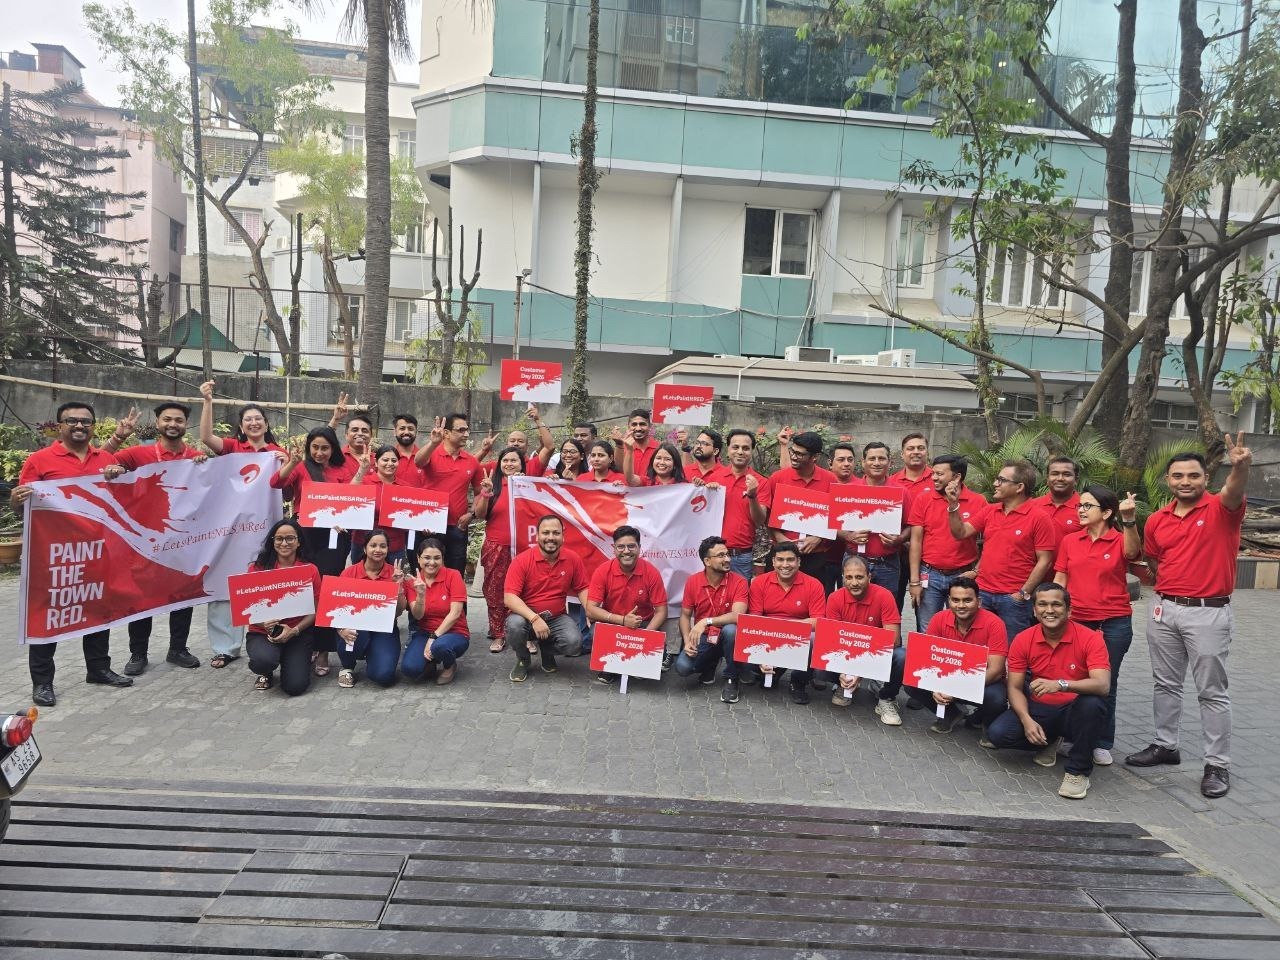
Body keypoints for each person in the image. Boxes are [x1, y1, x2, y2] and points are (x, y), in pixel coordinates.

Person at [1125, 439, 1251, 800]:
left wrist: (1240, 466)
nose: (1185, 481)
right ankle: (1166, 745)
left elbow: (1234, 489)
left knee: (1212, 692)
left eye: (1193, 475)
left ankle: (1216, 765)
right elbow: (1155, 561)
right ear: (1168, 480)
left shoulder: (1221, 508)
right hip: (1164, 609)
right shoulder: (1158, 520)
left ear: (1206, 478)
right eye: (1178, 475)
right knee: (1165, 683)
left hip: (1208, 613)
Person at [12, 402, 131, 706]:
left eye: (86, 421)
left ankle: (98, 669)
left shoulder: (106, 459)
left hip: (97, 551)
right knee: (47, 615)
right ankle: (42, 682)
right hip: (54, 556)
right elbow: (24, 507)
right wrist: (16, 499)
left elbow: (123, 502)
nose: (80, 426)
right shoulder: (39, 460)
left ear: (93, 426)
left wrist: (120, 476)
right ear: (59, 426)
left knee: (99, 610)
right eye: (72, 421)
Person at [104, 401, 206, 676]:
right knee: (141, 598)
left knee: (183, 595)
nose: (173, 424)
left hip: (183, 540)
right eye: (167, 419)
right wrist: (113, 465)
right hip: (144, 541)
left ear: (186, 425)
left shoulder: (196, 457)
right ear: (158, 422)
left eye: (179, 420)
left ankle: (178, 649)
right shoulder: (137, 454)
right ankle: (138, 653)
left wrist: (204, 467)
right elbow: (98, 462)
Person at [986, 583, 1111, 799]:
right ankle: (1051, 739)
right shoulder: (1023, 639)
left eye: (1056, 604)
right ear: (1034, 611)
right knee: (998, 734)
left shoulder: (1090, 638)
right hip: (1040, 708)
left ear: (1069, 610)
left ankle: (1078, 772)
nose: (1049, 610)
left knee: (1093, 703)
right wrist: (1026, 720)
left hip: (1074, 710)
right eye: (1042, 604)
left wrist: (1061, 684)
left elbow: (1103, 685)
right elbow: (1014, 687)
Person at [199, 380, 286, 672]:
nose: (253, 423)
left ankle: (266, 636)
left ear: (266, 424)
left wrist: (287, 462)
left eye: (258, 419)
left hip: (265, 528)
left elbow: (287, 487)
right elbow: (206, 437)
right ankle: (225, 647)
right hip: (229, 531)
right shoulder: (232, 449)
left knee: (264, 582)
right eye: (248, 419)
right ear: (241, 425)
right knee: (223, 583)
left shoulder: (277, 453)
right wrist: (208, 401)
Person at [1053, 485, 1141, 766]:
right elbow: (1060, 579)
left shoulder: (1119, 540)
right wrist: (1051, 611)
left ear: (1106, 512)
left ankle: (1102, 741)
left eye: (1087, 506)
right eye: (1079, 505)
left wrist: (1129, 519)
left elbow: (1133, 553)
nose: (1080, 510)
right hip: (1077, 622)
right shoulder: (1070, 541)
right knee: (1073, 678)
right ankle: (1072, 736)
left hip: (1113, 623)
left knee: (1106, 683)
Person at [272, 426, 358, 678]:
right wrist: (292, 462)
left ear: (333, 448)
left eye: (325, 448)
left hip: (334, 537)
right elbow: (276, 483)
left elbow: (351, 496)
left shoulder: (342, 469)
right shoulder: (301, 467)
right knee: (306, 589)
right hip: (306, 535)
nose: (320, 452)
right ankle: (304, 643)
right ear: (309, 447)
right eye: (315, 447)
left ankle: (323, 650)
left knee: (328, 591)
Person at [945, 459, 1055, 641]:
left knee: (1013, 650)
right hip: (983, 593)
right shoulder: (990, 511)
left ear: (1019, 487)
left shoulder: (1039, 517)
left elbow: (1045, 560)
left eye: (1001, 480)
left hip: (1013, 599)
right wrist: (953, 505)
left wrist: (1023, 593)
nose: (995, 483)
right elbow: (961, 532)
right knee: (977, 645)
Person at [503, 515, 589, 682]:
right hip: (526, 617)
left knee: (574, 644)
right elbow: (509, 598)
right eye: (546, 533)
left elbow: (582, 588)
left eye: (556, 533)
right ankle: (523, 659)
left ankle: (547, 651)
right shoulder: (522, 561)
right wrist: (535, 619)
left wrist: (590, 610)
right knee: (514, 626)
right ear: (537, 536)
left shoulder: (572, 559)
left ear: (563, 536)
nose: (551, 537)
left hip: (556, 617)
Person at [920, 577, 1010, 733]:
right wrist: (934, 686)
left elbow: (996, 671)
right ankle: (951, 714)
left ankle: (984, 721)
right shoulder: (938, 619)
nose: (961, 605)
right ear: (949, 601)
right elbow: (927, 659)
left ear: (979, 602)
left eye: (967, 600)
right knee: (913, 682)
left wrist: (957, 689)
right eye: (955, 600)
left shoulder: (995, 624)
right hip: (946, 678)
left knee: (996, 697)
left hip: (982, 681)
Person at [244, 518, 322, 696]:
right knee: (263, 661)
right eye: (279, 538)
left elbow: (316, 610)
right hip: (263, 632)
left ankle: (294, 659)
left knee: (295, 687)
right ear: (272, 541)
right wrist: (264, 623)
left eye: (290, 538)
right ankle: (266, 671)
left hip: (297, 632)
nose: (284, 543)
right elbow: (247, 608)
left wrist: (294, 631)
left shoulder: (310, 569)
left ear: (299, 541)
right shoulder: (257, 568)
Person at [907, 455, 985, 631]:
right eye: (933, 473)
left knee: (962, 628)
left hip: (963, 575)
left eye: (939, 474)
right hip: (929, 575)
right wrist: (914, 581)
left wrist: (976, 571)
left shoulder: (978, 501)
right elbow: (916, 541)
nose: (934, 478)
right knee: (927, 629)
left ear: (956, 477)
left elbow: (991, 541)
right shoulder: (923, 499)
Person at [584, 526, 669, 683]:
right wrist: (622, 620)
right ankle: (611, 667)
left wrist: (644, 638)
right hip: (613, 623)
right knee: (595, 632)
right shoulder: (602, 571)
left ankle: (641, 662)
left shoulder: (651, 572)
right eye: (621, 547)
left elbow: (662, 611)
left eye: (631, 546)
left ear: (639, 548)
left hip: (642, 625)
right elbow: (590, 610)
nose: (626, 551)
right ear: (614, 549)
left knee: (651, 663)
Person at [745, 541, 826, 704]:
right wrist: (762, 655)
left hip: (798, 637)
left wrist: (786, 631)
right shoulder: (760, 582)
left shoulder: (814, 584)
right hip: (767, 635)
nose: (785, 565)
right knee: (740, 635)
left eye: (790, 560)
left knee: (815, 638)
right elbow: (754, 620)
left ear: (799, 561)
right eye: (780, 560)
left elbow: (818, 621)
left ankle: (798, 682)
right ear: (773, 561)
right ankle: (769, 672)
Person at [827, 555, 904, 723]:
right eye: (849, 577)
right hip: (847, 654)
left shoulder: (884, 596)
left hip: (877, 655)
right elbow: (832, 641)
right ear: (843, 578)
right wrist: (842, 671)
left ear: (869, 576)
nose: (854, 583)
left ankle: (886, 698)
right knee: (819, 656)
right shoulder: (834, 598)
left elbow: (894, 640)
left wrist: (860, 671)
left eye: (859, 577)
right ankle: (843, 683)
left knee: (902, 656)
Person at [674, 536, 749, 701]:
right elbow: (685, 616)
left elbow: (738, 616)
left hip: (730, 636)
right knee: (682, 667)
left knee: (731, 631)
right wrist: (687, 641)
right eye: (721, 555)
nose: (727, 559)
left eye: (727, 554)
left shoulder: (740, 582)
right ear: (707, 561)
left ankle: (732, 678)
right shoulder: (693, 581)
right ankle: (711, 663)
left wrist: (706, 621)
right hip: (706, 637)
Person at [834, 441, 912, 597]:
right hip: (854, 560)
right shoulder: (848, 490)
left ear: (889, 462)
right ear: (863, 462)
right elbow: (832, 525)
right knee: (851, 605)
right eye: (872, 458)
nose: (877, 463)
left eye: (881, 458)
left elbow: (911, 525)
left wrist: (900, 539)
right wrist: (848, 536)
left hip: (887, 563)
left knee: (887, 605)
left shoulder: (901, 492)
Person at [334, 529, 409, 689]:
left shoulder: (394, 573)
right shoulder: (349, 573)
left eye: (383, 546)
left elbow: (399, 612)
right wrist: (341, 629)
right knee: (352, 633)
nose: (378, 550)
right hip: (355, 626)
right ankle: (347, 666)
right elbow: (336, 608)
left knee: (383, 676)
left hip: (384, 628)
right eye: (373, 545)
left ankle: (373, 654)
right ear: (364, 548)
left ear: (388, 549)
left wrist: (398, 587)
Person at [414, 413, 485, 573]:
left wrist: (471, 514)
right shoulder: (432, 453)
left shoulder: (472, 461)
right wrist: (433, 443)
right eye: (461, 430)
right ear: (446, 433)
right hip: (429, 526)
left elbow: (479, 492)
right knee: (426, 573)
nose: (466, 434)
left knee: (456, 573)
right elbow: (418, 461)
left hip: (457, 527)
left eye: (467, 430)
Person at [473, 446, 527, 652]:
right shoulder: (492, 484)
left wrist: (525, 485)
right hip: (496, 546)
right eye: (505, 460)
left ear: (522, 464)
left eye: (514, 460)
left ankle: (526, 634)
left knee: (525, 590)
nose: (509, 464)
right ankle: (498, 634)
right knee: (495, 591)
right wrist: (485, 493)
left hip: (524, 548)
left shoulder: (529, 485)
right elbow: (480, 514)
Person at [770, 429, 836, 582]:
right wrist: (780, 538)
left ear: (815, 457)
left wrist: (818, 538)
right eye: (793, 451)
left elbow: (836, 517)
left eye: (800, 454)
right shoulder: (778, 478)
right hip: (782, 553)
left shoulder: (830, 480)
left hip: (815, 555)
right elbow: (767, 514)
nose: (793, 456)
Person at [403, 537, 470, 684]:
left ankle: (449, 665)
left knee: (441, 646)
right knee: (410, 669)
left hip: (455, 632)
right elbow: (417, 616)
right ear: (418, 558)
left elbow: (455, 613)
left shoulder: (453, 575)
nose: (432, 562)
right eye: (427, 558)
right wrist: (421, 595)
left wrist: (434, 637)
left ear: (442, 559)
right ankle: (431, 662)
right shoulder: (412, 582)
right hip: (425, 632)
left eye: (437, 558)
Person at [721, 429, 772, 581]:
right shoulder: (714, 478)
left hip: (742, 556)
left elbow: (759, 520)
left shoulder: (761, 482)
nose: (740, 452)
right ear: (728, 449)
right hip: (713, 553)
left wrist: (752, 495)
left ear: (752, 451)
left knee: (740, 595)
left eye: (745, 448)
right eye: (735, 447)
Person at [890, 432, 933, 607]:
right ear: (902, 454)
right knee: (893, 605)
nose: (916, 452)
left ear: (927, 452)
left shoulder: (938, 480)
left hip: (928, 557)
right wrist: (902, 539)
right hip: (896, 554)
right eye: (910, 448)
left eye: (920, 448)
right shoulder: (891, 482)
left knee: (925, 608)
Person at [352, 445, 411, 565]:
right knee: (361, 576)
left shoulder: (405, 487)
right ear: (376, 463)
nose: (390, 463)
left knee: (394, 576)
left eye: (394, 460)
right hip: (364, 543)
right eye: (385, 460)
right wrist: (362, 469)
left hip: (394, 546)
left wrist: (422, 525)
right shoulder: (365, 481)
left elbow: (412, 515)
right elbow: (349, 495)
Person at [479, 405, 554, 478]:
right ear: (507, 444)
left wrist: (537, 420)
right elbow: (473, 468)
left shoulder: (532, 465)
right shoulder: (496, 466)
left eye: (520, 441)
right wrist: (483, 451)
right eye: (512, 441)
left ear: (527, 445)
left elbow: (549, 448)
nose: (516, 444)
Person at [1032, 456, 1082, 545]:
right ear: (1047, 479)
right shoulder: (1032, 506)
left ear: (1076, 480)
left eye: (1067, 474)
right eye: (1055, 474)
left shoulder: (1086, 508)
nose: (1060, 478)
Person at [613, 409, 659, 476]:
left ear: (650, 426)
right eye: (634, 424)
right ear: (628, 426)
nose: (638, 428)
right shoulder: (622, 448)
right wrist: (619, 445)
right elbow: (620, 472)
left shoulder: (659, 448)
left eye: (642, 424)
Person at [391, 413, 425, 486]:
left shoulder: (425, 459)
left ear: (416, 432)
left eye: (410, 429)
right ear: (394, 432)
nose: (406, 432)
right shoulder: (387, 459)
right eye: (402, 428)